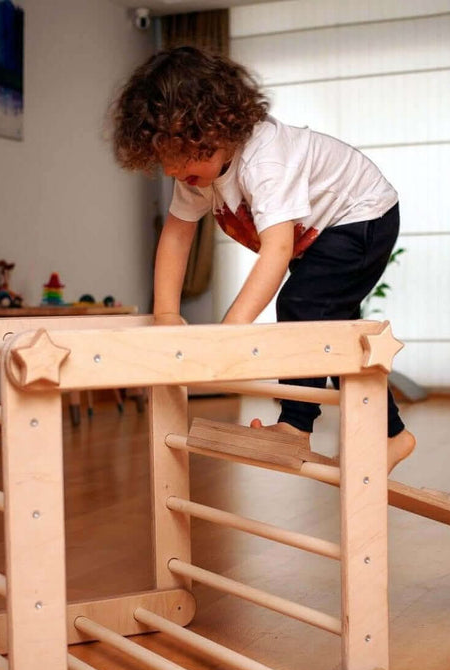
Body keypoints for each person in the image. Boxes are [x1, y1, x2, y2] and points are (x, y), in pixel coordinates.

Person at [110, 46, 415, 472]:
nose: (174, 171)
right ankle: (391, 435)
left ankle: (295, 426)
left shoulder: (265, 160)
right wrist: (165, 313)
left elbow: (277, 248)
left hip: (361, 215)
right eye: (165, 160)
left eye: (184, 155)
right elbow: (177, 236)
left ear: (218, 129)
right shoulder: (195, 172)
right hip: (322, 233)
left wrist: (233, 329)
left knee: (301, 305)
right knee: (337, 331)